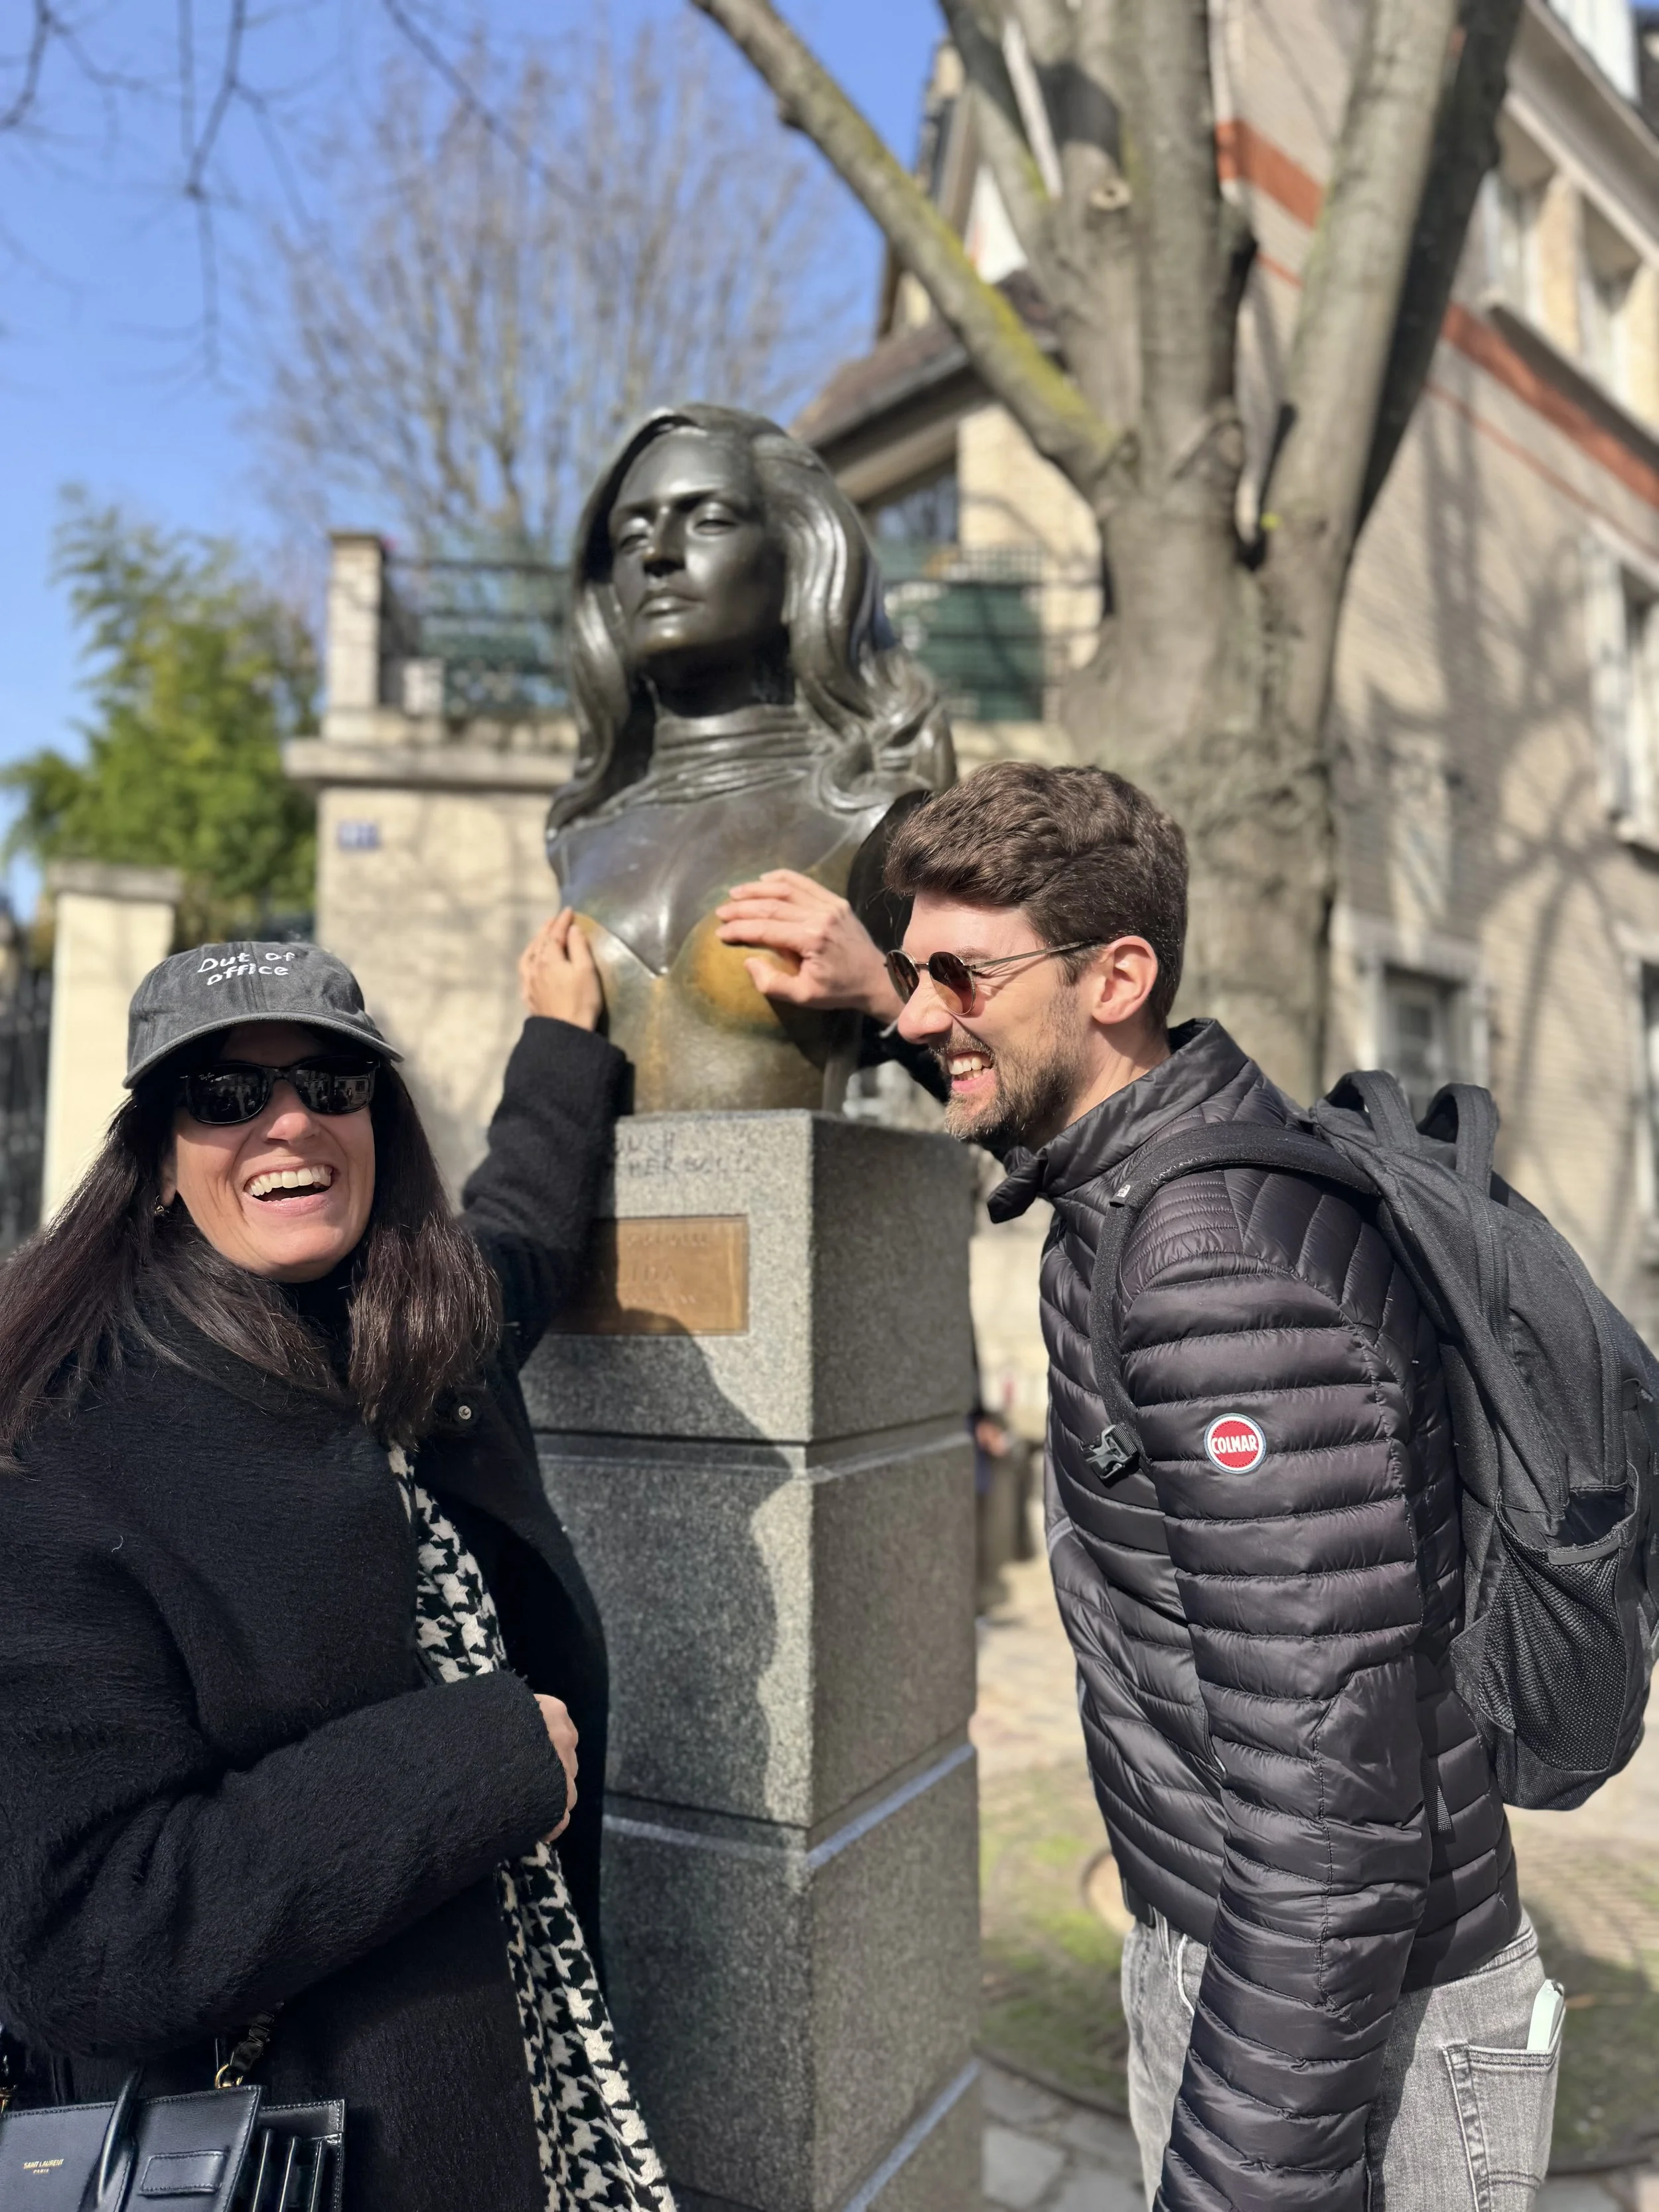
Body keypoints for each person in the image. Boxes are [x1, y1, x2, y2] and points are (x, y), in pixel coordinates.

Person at [721, 763, 1555, 2211]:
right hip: (1265, 1970)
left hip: (1341, 2020)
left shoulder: (1209, 1268)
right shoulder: (1160, 1157)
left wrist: (1231, 2179)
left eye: (957, 977)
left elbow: (1332, 1822)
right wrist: (885, 991)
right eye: (914, 973)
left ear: (1117, 975)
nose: (924, 1014)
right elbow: (1037, 1103)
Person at [0, 917, 672, 2212]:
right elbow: (89, 1933)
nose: (290, 1122)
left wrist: (560, 1037)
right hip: (299, 2147)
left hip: (532, 2069)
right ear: (153, 1160)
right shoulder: (69, 1448)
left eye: (331, 1081)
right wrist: (475, 1763)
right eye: (227, 1094)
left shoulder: (418, 1333)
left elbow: (522, 1226)